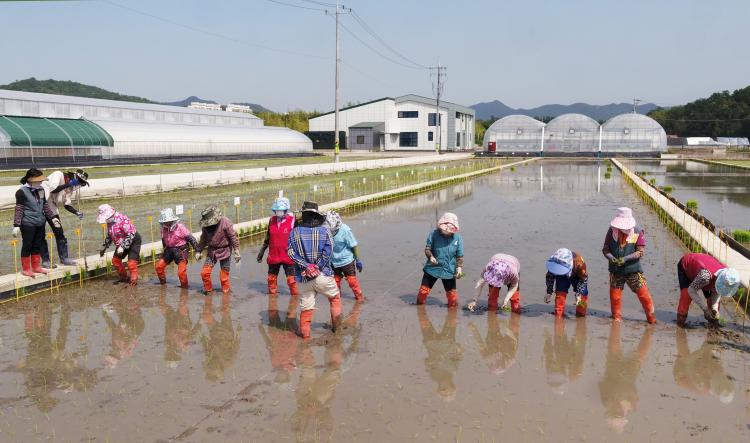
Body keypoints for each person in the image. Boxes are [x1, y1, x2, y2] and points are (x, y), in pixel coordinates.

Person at [287, 201, 339, 339]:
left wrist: (306, 266)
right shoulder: (325, 231)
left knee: (306, 307)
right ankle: (336, 327)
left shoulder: (294, 232)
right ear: (316, 216)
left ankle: (305, 336)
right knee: (334, 298)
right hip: (323, 275)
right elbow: (329, 252)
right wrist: (317, 267)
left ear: (303, 215)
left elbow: (291, 253)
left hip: (304, 277)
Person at [602, 207, 656, 324]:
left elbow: (640, 252)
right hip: (616, 270)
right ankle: (616, 320)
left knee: (644, 295)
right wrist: (611, 258)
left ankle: (651, 319)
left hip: (633, 270)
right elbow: (605, 249)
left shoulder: (637, 232)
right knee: (615, 297)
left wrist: (626, 258)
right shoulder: (612, 231)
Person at [598, 321, 652, 433]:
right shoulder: (630, 405)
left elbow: (601, 383)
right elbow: (635, 394)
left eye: (614, 412)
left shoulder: (606, 401)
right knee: (640, 356)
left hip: (613, 370)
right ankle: (650, 332)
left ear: (609, 411)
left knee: (613, 347)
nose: (617, 410)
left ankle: (616, 323)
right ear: (624, 413)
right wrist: (629, 400)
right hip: (630, 375)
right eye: (619, 413)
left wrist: (611, 396)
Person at [40, 169, 88, 267]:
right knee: (40, 234)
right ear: (74, 177)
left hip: (52, 207)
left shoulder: (70, 188)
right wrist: (68, 184)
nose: (78, 185)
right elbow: (53, 189)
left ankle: (64, 258)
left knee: (59, 232)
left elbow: (66, 204)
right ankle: (45, 261)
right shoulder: (58, 175)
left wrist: (76, 212)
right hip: (41, 205)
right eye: (79, 181)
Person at [676, 253, 740, 327]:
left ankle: (713, 324)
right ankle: (680, 324)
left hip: (704, 273)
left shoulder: (726, 274)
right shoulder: (705, 277)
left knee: (712, 304)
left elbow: (718, 291)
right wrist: (705, 309)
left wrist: (714, 308)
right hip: (687, 266)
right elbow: (691, 290)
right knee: (686, 296)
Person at [13, 169, 55, 278]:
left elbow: (45, 205)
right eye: (39, 180)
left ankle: (36, 267)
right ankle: (26, 269)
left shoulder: (40, 189)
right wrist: (16, 225)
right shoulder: (21, 192)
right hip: (28, 223)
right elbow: (19, 209)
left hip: (40, 222)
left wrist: (53, 217)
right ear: (31, 180)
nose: (41, 182)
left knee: (37, 244)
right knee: (28, 245)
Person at [417, 212, 464, 308]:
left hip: (449, 270)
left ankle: (452, 312)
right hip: (432, 268)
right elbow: (428, 249)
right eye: (445, 229)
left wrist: (459, 268)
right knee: (423, 291)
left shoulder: (458, 238)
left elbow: (459, 256)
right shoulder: (434, 234)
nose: (447, 231)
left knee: (452, 296)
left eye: (449, 230)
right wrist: (431, 257)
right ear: (440, 226)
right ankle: (420, 308)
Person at [257, 197, 298, 297]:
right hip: (274, 255)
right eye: (277, 210)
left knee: (291, 280)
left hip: (288, 255)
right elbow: (267, 238)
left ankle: (294, 299)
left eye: (280, 210)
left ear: (286, 210)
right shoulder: (272, 220)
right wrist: (262, 251)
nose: (278, 212)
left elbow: (298, 240)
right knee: (271, 279)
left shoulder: (293, 221)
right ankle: (272, 299)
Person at [194, 206, 241, 294]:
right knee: (204, 273)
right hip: (212, 251)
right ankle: (208, 290)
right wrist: (198, 251)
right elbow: (203, 239)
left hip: (225, 250)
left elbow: (233, 237)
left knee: (224, 276)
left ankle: (226, 293)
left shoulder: (225, 222)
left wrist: (236, 251)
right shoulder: (205, 226)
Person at [324, 211, 365, 302]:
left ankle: (359, 297)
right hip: (333, 261)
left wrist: (357, 260)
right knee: (335, 282)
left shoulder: (345, 230)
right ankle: (337, 300)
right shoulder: (325, 231)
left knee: (352, 281)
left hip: (347, 260)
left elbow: (353, 245)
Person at [97, 204, 141, 285]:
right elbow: (110, 234)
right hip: (121, 243)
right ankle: (124, 278)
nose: (105, 220)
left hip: (133, 241)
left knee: (131, 264)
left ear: (111, 214)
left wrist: (123, 246)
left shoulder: (122, 219)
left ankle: (133, 282)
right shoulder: (109, 221)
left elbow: (131, 233)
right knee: (116, 261)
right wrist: (104, 247)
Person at [155, 208, 197, 288]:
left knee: (181, 272)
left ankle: (185, 288)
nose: (167, 223)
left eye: (168, 221)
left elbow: (191, 238)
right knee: (159, 267)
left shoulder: (180, 227)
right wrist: (164, 251)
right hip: (169, 250)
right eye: (165, 221)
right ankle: (163, 284)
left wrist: (197, 251)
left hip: (181, 250)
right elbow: (164, 240)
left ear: (172, 220)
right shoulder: (163, 229)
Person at [545, 248, 589, 318]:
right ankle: (558, 316)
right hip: (562, 276)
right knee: (560, 294)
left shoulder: (580, 264)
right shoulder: (554, 262)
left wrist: (578, 294)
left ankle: (581, 315)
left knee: (582, 296)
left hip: (577, 275)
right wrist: (549, 292)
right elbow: (550, 276)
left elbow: (583, 280)